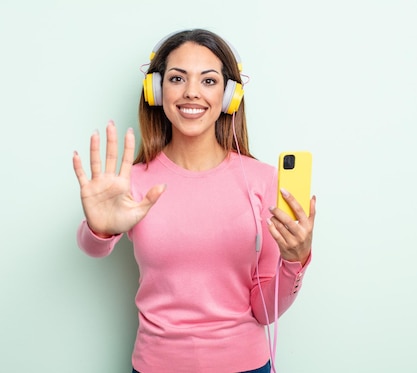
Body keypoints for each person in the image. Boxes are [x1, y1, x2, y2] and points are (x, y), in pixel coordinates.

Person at [72, 28, 316, 373]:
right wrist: (99, 228)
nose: (191, 93)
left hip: (246, 365)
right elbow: (91, 248)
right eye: (176, 78)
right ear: (156, 91)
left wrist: (295, 261)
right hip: (156, 365)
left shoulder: (262, 180)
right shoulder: (134, 179)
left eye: (209, 81)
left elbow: (265, 310)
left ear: (230, 96)